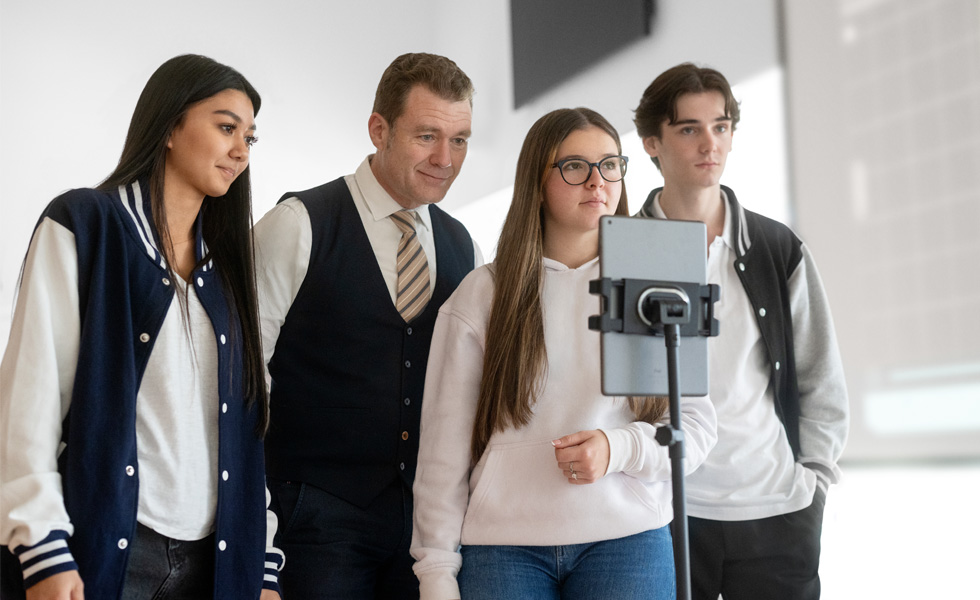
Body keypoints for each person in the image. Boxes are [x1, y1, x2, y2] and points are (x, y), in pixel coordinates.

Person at [0, 55, 283, 599]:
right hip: (105, 552)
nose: (241, 151)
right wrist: (42, 549)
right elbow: (30, 397)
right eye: (226, 128)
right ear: (170, 127)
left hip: (216, 567)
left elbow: (245, 433)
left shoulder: (226, 271)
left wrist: (263, 564)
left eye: (250, 137)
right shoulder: (87, 225)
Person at [410, 107, 718, 600]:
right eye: (575, 166)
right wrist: (437, 574)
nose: (597, 181)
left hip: (629, 542)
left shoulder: (657, 283)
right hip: (502, 550)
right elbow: (442, 454)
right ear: (537, 182)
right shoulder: (483, 294)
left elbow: (696, 428)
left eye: (610, 165)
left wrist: (617, 449)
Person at [253, 52, 481, 599]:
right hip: (313, 518)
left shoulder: (464, 246)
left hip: (423, 530)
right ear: (379, 130)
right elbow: (242, 381)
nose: (445, 159)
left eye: (459, 140)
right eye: (427, 136)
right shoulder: (298, 224)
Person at [632, 62, 849, 600]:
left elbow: (820, 376)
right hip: (665, 513)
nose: (711, 144)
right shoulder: (621, 251)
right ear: (651, 143)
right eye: (689, 129)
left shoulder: (777, 248)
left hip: (778, 510)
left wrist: (813, 481)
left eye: (721, 126)